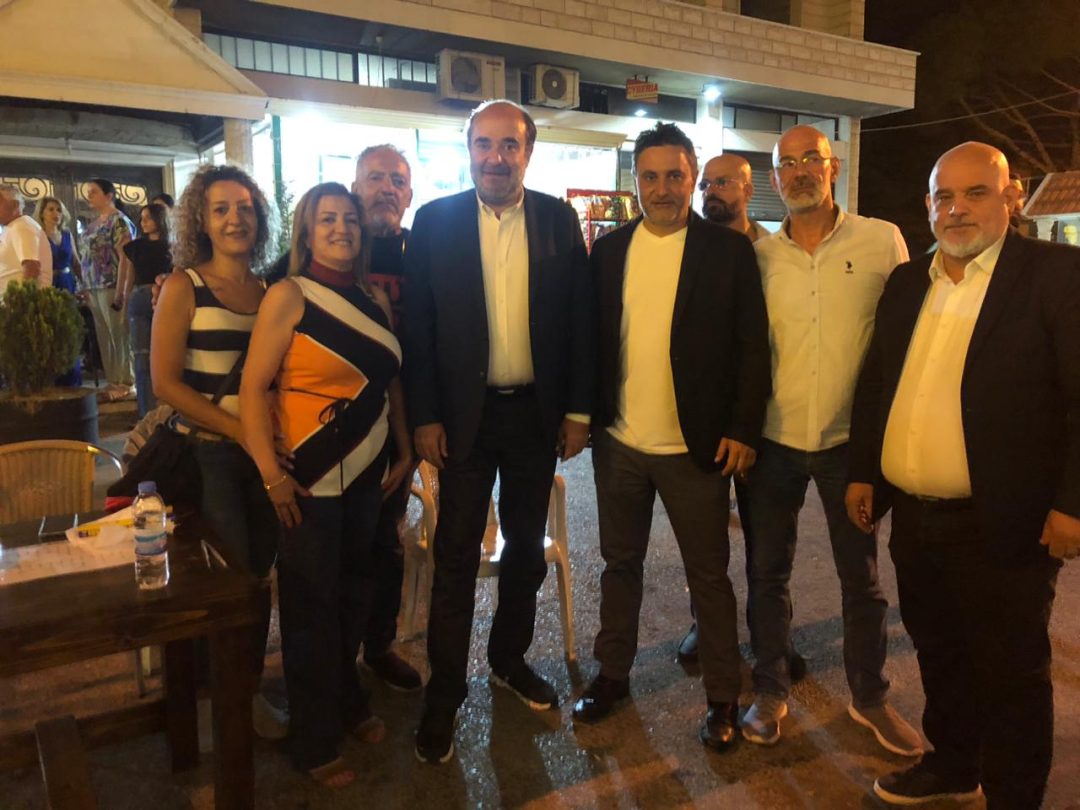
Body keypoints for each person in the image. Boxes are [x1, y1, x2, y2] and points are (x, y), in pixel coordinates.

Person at [847, 142, 1080, 808]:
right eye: (943, 197)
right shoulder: (907, 282)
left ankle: (1013, 796)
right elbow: (877, 383)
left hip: (1006, 520)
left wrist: (1074, 503)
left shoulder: (1056, 276)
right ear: (927, 206)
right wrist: (866, 472)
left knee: (1012, 672)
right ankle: (954, 765)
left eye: (976, 193)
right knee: (940, 652)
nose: (957, 210)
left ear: (1012, 196)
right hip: (916, 517)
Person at [404, 99, 595, 764]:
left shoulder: (557, 219)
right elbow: (418, 328)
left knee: (524, 551)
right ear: (469, 151)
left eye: (509, 145)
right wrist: (424, 415)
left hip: (533, 417)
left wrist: (578, 411)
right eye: (484, 144)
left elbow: (579, 320)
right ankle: (445, 692)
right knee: (456, 554)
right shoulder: (435, 222)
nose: (496, 157)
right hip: (461, 419)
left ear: (528, 152)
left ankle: (508, 660)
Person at [571, 123, 770, 752]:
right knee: (619, 565)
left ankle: (723, 696)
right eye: (650, 177)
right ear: (635, 181)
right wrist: (582, 416)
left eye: (675, 176)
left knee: (709, 575)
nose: (662, 189)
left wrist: (743, 428)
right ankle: (612, 675)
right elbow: (591, 342)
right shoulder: (609, 251)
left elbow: (752, 347)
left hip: (696, 447)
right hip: (621, 443)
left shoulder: (728, 252)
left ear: (692, 179)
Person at [742, 125, 920, 754]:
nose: (799, 172)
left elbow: (905, 335)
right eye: (786, 163)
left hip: (852, 445)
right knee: (767, 574)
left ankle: (869, 697)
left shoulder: (881, 240)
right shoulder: (760, 256)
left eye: (810, 159)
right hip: (773, 441)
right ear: (774, 178)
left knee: (861, 579)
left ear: (833, 166)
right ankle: (769, 691)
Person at [239, 182, 412, 788]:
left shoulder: (373, 299)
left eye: (350, 220)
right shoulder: (289, 295)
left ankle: (347, 701)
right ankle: (312, 740)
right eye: (327, 219)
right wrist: (271, 476)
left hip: (369, 476)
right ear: (307, 233)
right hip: (308, 481)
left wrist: (405, 449)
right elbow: (253, 389)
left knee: (355, 597)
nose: (342, 229)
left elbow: (390, 382)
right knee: (311, 610)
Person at [150, 163, 284, 741]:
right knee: (229, 581)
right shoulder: (183, 286)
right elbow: (165, 384)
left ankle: (242, 690)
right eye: (222, 209)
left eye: (246, 208)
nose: (235, 219)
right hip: (211, 456)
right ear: (200, 221)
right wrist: (239, 431)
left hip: (264, 457)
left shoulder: (272, 291)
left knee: (257, 578)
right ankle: (226, 700)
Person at [678, 154, 807, 683]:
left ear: (750, 189)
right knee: (704, 538)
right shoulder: (686, 249)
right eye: (706, 183)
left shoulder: (773, 254)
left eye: (725, 182)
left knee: (767, 541)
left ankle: (771, 634)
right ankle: (705, 625)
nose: (713, 191)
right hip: (704, 421)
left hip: (763, 422)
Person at [351, 144, 422, 691]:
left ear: (409, 195)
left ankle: (378, 646)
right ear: (356, 188)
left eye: (397, 181)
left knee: (385, 540)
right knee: (335, 547)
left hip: (400, 424)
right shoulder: (331, 249)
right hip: (332, 428)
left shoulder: (423, 254)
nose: (386, 189)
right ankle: (331, 656)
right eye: (375, 178)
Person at [81, 178, 135, 400]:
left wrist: (122, 290)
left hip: (112, 283)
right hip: (94, 285)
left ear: (109, 195)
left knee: (118, 334)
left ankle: (126, 381)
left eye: (94, 192)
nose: (89, 196)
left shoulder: (119, 221)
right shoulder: (93, 224)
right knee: (104, 335)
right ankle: (112, 380)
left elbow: (126, 257)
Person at [120, 203, 172, 416]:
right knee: (141, 356)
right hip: (141, 297)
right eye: (142, 218)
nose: (144, 222)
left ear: (160, 219)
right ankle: (146, 412)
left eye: (148, 217)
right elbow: (130, 275)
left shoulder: (172, 246)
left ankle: (167, 409)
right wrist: (124, 299)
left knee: (167, 355)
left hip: (165, 297)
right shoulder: (136, 246)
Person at [0, 184, 52, 295]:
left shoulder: (22, 226)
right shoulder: (13, 227)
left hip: (20, 302)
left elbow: (31, 268)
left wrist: (19, 300)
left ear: (14, 205)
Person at [34, 196, 82, 296]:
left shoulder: (67, 235)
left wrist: (84, 284)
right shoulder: (38, 236)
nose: (56, 213)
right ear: (42, 213)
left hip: (67, 282)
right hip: (48, 284)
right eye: (51, 209)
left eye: (59, 210)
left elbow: (75, 262)